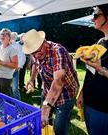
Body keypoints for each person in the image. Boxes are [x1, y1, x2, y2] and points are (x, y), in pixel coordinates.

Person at [23, 29, 79, 135]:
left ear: (44, 43)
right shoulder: (36, 53)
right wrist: (31, 80)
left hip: (66, 93)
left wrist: (45, 108)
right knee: (43, 121)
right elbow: (35, 64)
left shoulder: (58, 51)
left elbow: (58, 81)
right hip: (48, 91)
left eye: (37, 51)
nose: (35, 55)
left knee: (59, 128)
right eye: (32, 53)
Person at [76, 4, 108, 134]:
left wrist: (101, 68)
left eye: (95, 15)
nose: (92, 19)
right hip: (89, 102)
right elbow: (90, 72)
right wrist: (82, 93)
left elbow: (98, 69)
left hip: (104, 107)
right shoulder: (100, 42)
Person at [0, 28, 18, 96]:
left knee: (3, 98)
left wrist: (3, 63)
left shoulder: (12, 49)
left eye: (5, 34)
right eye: (1, 34)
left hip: (5, 78)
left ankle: (4, 107)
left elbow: (15, 65)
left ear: (9, 37)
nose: (2, 36)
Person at [11, 32, 26, 100]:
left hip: (15, 70)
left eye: (14, 37)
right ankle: (10, 102)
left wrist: (19, 66)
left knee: (14, 89)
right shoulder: (5, 45)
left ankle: (18, 104)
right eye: (12, 36)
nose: (13, 38)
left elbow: (22, 57)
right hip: (5, 71)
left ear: (16, 37)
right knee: (7, 88)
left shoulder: (18, 46)